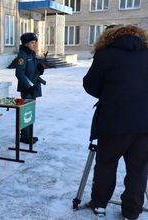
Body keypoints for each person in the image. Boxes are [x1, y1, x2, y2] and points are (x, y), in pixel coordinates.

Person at [83, 24, 148, 219]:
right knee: (138, 168)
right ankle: (132, 211)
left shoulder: (105, 54)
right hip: (144, 123)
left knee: (106, 164)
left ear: (110, 36)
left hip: (113, 121)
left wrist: (110, 93)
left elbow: (91, 85)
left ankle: (100, 203)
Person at [15, 32, 44, 144]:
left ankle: (29, 135)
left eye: (35, 42)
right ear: (26, 43)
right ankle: (25, 136)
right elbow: (19, 73)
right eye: (32, 42)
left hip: (34, 86)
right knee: (26, 112)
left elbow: (33, 69)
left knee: (30, 112)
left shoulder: (31, 53)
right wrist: (28, 86)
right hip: (27, 89)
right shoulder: (23, 55)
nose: (34, 44)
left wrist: (40, 69)